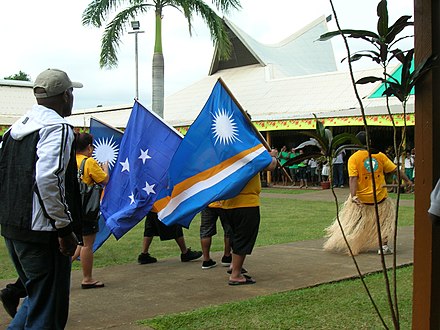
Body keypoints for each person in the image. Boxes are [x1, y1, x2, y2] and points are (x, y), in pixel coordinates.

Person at [0, 68, 81, 328]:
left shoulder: (13, 131)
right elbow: (48, 179)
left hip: (14, 228)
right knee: (49, 310)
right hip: (42, 233)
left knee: (37, 298)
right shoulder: (57, 128)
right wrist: (64, 228)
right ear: (66, 96)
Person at [323, 131, 412, 256]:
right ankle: (383, 246)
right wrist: (407, 180)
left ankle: (353, 243)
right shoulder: (379, 156)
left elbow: (353, 178)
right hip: (379, 197)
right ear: (369, 142)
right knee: (384, 223)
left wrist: (353, 196)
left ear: (356, 144)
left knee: (356, 222)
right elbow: (395, 170)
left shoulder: (353, 158)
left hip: (360, 199)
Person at [221, 149, 277, 285]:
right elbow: (270, 165)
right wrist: (273, 157)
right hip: (246, 203)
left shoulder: (225, 153)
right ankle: (235, 275)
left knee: (235, 236)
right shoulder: (249, 152)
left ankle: (234, 266)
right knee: (243, 237)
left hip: (227, 203)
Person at [72, 132, 109, 289]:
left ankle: (59, 271)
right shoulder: (89, 162)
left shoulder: (68, 160)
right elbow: (104, 180)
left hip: (71, 209)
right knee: (87, 244)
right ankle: (87, 278)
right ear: (88, 147)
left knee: (76, 243)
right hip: (86, 210)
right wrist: (105, 168)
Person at [138, 211, 202, 264]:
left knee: (150, 226)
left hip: (153, 204)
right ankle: (185, 252)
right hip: (163, 203)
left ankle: (144, 254)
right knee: (175, 224)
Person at [199, 203, 232, 269]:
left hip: (208, 202)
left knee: (206, 231)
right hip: (224, 202)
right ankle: (227, 256)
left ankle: (206, 259)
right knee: (229, 229)